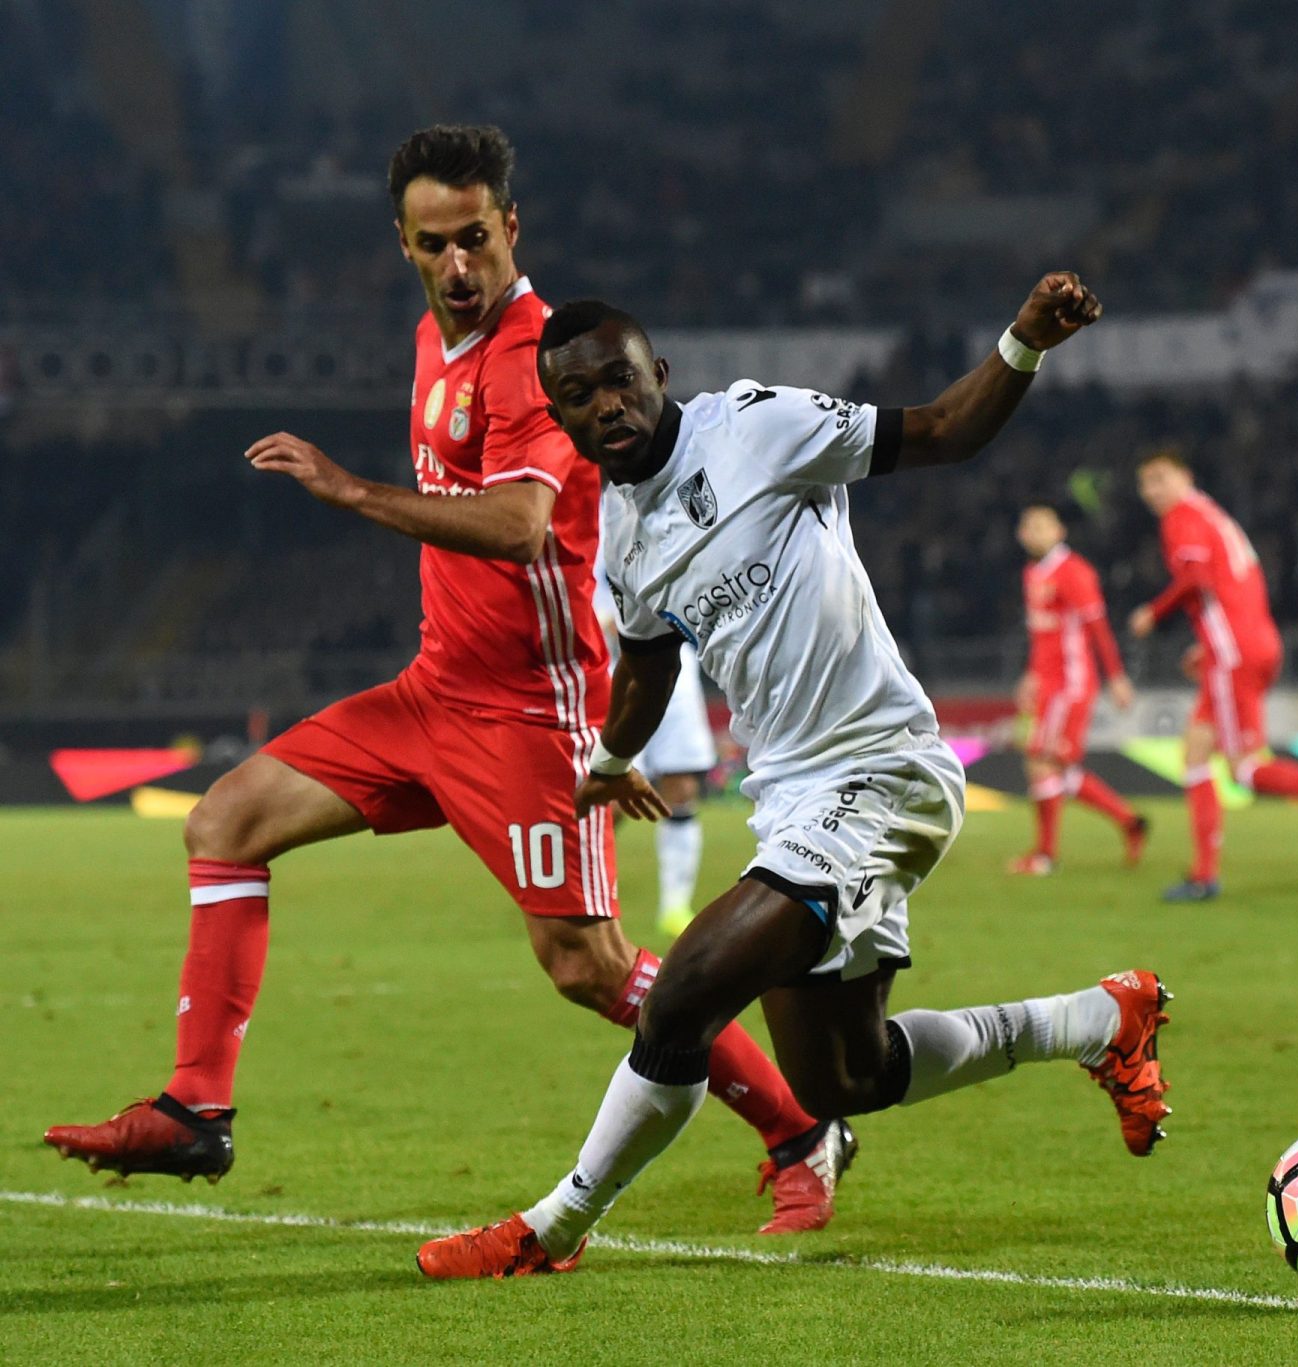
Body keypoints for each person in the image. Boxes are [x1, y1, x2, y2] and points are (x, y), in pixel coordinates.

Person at [43, 124, 851, 1235]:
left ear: (511, 226)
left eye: (476, 238)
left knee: (585, 964)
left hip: (530, 709)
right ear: (406, 244)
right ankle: (197, 1107)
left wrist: (351, 492)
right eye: (434, 245)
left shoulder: (536, 356)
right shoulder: (436, 338)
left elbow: (523, 525)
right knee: (225, 821)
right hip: (431, 693)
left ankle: (803, 1128)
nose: (458, 265)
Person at [415, 273, 1174, 1279]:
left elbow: (943, 429)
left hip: (882, 771)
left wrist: (1024, 342)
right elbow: (647, 665)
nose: (607, 405)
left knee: (679, 996)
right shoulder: (626, 544)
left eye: (620, 380)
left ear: (659, 374)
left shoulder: (759, 426)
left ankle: (551, 1228)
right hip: (793, 803)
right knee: (843, 1077)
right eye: (581, 396)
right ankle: (1099, 1019)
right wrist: (608, 758)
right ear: (558, 415)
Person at [1128, 453, 1298, 902]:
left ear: (1185, 477)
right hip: (1248, 640)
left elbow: (1196, 576)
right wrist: (1211, 643)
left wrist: (1153, 614)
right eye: (1145, 483)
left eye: (1160, 478)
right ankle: (1203, 874)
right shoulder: (1214, 516)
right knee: (1196, 755)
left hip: (1234, 651)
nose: (1152, 490)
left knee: (1244, 768)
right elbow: (1233, 584)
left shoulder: (1182, 517)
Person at [1010, 503, 1147, 876]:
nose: (1033, 532)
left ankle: (1044, 856)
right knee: (1059, 769)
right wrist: (1031, 676)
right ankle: (1130, 821)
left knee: (1040, 761)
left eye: (1042, 526)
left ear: (1059, 532)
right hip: (1049, 682)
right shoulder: (1032, 573)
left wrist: (1116, 677)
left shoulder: (1074, 572)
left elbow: (1098, 629)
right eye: (1027, 526)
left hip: (1070, 683)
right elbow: (1041, 635)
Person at [594, 572, 715, 939]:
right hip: (613, 666)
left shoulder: (682, 515)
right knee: (609, 794)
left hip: (677, 661)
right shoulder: (600, 519)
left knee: (682, 785)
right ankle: (585, 895)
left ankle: (675, 907)